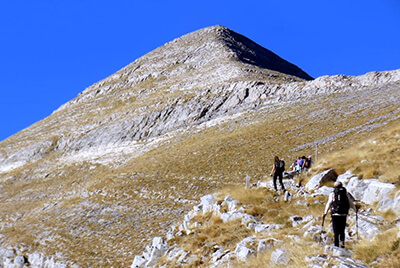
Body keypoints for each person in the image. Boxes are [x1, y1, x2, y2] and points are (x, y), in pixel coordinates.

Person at [322, 181, 357, 248]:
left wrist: (325, 212)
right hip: (343, 214)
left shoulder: (333, 193)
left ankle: (336, 245)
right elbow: (350, 203)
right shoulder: (345, 193)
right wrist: (355, 210)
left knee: (336, 231)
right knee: (342, 230)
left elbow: (329, 203)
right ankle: (342, 244)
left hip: (335, 214)